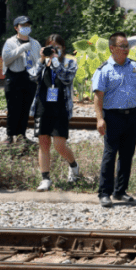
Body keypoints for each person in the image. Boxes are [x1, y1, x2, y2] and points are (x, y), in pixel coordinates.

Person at [92, 32, 136, 208]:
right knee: (110, 155)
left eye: (127, 46)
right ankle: (104, 193)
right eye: (122, 46)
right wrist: (100, 119)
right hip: (113, 117)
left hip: (131, 115)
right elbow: (98, 96)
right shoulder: (104, 69)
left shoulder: (134, 66)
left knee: (127, 155)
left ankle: (120, 191)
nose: (126, 49)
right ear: (112, 48)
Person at [32, 34, 81, 191]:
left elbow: (66, 78)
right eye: (51, 48)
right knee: (43, 143)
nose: (54, 51)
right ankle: (45, 178)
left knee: (59, 145)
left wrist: (54, 61)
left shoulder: (70, 63)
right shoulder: (43, 62)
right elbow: (32, 76)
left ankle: (73, 165)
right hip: (43, 106)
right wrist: (41, 60)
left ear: (63, 48)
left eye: (57, 48)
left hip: (60, 108)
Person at [1, 16, 41, 145]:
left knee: (25, 108)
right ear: (16, 28)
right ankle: (10, 136)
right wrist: (22, 49)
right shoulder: (10, 42)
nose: (26, 28)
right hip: (13, 77)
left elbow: (39, 61)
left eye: (28, 25)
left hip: (29, 78)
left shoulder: (35, 43)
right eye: (23, 26)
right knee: (13, 108)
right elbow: (6, 59)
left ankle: (21, 135)